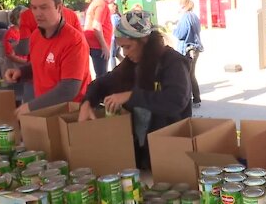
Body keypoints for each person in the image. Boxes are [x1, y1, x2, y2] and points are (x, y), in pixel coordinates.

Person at [78, 9, 192, 169]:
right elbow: (102, 83)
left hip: (170, 152)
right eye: (121, 48)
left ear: (144, 40)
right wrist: (87, 102)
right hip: (142, 156)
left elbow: (176, 100)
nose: (125, 53)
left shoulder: (172, 62)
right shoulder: (131, 63)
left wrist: (131, 96)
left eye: (128, 47)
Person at [4, 0, 91, 117]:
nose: (38, 13)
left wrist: (31, 106)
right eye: (34, 8)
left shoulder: (74, 41)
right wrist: (21, 72)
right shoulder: (35, 36)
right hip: (45, 113)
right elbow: (41, 64)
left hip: (71, 115)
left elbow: (68, 90)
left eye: (44, 7)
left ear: (58, 7)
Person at [18, 0, 83, 57]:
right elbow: (82, 41)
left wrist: (14, 45)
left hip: (40, 65)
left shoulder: (26, 16)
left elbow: (24, 49)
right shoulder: (71, 14)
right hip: (72, 60)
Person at [172, 0, 204, 108]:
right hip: (194, 49)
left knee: (186, 76)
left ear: (183, 5)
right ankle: (196, 99)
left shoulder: (185, 17)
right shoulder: (194, 16)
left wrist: (174, 28)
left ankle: (189, 100)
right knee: (191, 75)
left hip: (187, 49)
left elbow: (181, 34)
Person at [83, 0, 118, 78]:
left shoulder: (96, 3)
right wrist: (104, 46)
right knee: (102, 76)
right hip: (98, 46)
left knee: (100, 74)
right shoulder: (101, 4)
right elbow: (96, 26)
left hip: (94, 44)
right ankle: (101, 93)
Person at [108, 2, 124, 70]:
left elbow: (114, 27)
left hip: (113, 38)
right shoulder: (118, 16)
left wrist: (110, 36)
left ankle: (113, 70)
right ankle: (126, 65)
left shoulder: (113, 17)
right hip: (118, 37)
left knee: (112, 56)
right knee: (117, 54)